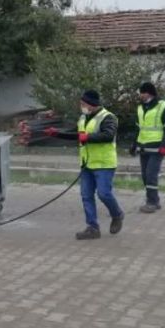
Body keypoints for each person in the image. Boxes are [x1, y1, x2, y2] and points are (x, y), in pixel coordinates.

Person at [44, 90, 125, 240]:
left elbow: (108, 135)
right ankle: (92, 228)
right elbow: (76, 134)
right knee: (86, 196)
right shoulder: (83, 117)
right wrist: (57, 133)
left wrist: (87, 137)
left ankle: (117, 214)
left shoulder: (108, 117)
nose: (81, 106)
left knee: (104, 194)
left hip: (104, 164)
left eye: (83, 104)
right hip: (86, 164)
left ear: (91, 104)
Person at [130, 82, 165, 213]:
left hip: (157, 148)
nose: (140, 95)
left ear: (148, 93)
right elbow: (138, 129)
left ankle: (152, 202)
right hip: (144, 147)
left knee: (151, 175)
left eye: (142, 92)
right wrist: (134, 145)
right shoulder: (140, 108)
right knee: (145, 176)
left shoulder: (164, 107)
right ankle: (154, 200)